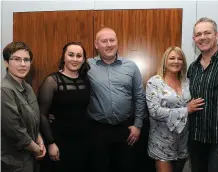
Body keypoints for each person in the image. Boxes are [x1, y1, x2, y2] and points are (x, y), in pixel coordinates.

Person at [87, 27, 146, 172]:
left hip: (125, 129)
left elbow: (139, 96)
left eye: (112, 40)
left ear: (117, 42)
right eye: (104, 41)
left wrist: (138, 125)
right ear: (96, 44)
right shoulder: (87, 66)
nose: (109, 44)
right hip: (97, 130)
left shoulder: (131, 66)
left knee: (126, 167)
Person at [146, 46, 204, 172]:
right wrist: (186, 110)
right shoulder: (154, 82)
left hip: (183, 142)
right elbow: (154, 111)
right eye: (172, 58)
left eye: (180, 59)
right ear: (165, 61)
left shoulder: (187, 82)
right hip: (161, 142)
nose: (176, 61)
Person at [38, 42, 90, 172]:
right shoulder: (52, 81)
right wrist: (50, 143)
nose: (74, 59)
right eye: (71, 55)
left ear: (83, 60)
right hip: (59, 140)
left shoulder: (86, 80)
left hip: (82, 140)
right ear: (64, 57)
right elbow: (42, 115)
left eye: (79, 56)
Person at [1, 41, 46, 172]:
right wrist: (37, 149)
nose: (23, 64)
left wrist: (39, 138)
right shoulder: (5, 90)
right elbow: (14, 130)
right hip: (14, 162)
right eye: (17, 59)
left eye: (26, 60)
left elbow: (33, 118)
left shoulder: (27, 87)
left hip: (30, 158)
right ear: (6, 62)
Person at [187, 17, 218, 172]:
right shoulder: (192, 67)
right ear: (194, 39)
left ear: (217, 35)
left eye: (207, 33)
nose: (202, 37)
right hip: (195, 139)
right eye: (199, 34)